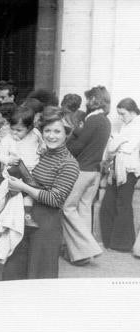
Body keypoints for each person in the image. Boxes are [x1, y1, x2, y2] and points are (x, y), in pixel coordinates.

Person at [2, 107, 79, 279]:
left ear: (67, 133)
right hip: (25, 218)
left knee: (39, 276)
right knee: (14, 272)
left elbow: (55, 199)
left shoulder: (69, 164)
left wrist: (24, 187)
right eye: (47, 130)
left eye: (57, 131)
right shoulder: (41, 154)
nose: (51, 135)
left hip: (46, 225)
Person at [62, 86, 110, 266]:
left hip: (82, 169)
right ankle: (82, 255)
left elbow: (76, 147)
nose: (86, 102)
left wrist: (74, 133)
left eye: (89, 99)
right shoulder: (105, 121)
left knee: (67, 207)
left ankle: (87, 248)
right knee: (83, 209)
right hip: (95, 171)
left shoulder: (92, 120)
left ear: (95, 100)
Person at [99, 98, 140, 252]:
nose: (121, 117)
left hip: (129, 170)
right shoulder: (126, 125)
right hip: (118, 169)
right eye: (119, 114)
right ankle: (110, 241)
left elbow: (128, 148)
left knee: (123, 206)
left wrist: (116, 140)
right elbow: (112, 148)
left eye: (122, 114)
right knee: (109, 205)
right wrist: (118, 142)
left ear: (132, 111)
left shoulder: (138, 124)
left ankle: (123, 244)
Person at [0, 106, 45, 228]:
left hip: (33, 172)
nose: (14, 133)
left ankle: (27, 216)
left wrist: (42, 148)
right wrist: (9, 160)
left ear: (29, 128)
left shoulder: (35, 134)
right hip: (15, 173)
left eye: (19, 130)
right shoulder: (7, 139)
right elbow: (1, 156)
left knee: (30, 194)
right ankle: (4, 222)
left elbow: (41, 144)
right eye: (12, 129)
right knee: (11, 199)